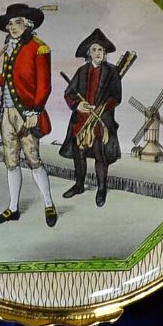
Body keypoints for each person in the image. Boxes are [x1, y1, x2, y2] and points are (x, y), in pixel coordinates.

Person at [0, 3, 57, 227]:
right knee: (11, 162)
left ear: (28, 24)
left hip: (27, 114)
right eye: (10, 23)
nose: (12, 27)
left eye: (17, 22)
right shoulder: (10, 48)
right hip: (6, 113)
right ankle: (13, 208)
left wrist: (36, 111)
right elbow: (7, 79)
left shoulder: (40, 48)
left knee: (33, 159)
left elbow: (44, 85)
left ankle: (49, 204)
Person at [59, 28, 121, 207]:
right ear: (89, 53)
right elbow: (69, 93)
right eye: (94, 49)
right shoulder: (82, 71)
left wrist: (101, 107)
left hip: (101, 121)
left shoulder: (112, 72)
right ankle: (79, 185)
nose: (98, 53)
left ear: (105, 52)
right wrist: (77, 105)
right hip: (81, 120)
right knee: (78, 153)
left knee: (100, 154)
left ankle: (101, 189)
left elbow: (116, 97)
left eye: (101, 50)